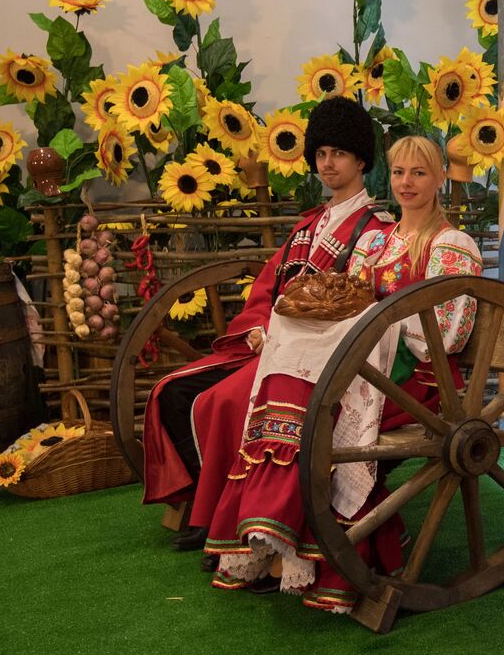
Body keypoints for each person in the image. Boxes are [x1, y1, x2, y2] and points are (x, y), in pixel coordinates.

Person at [203, 135, 483, 612]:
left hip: (418, 382)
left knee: (317, 407)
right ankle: (277, 537)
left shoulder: (451, 245)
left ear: (439, 179)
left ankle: (308, 545)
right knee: (290, 386)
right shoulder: (378, 240)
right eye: (399, 172)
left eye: (419, 172)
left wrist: (378, 323)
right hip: (365, 365)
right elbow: (346, 300)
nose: (407, 183)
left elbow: (448, 335)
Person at [141, 97, 391, 553]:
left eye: (338, 153)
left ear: (360, 159)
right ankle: (205, 501)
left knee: (217, 400)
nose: (328, 164)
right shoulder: (307, 227)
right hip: (268, 345)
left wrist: (280, 336)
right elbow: (267, 290)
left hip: (314, 355)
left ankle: (218, 516)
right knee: (174, 391)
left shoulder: (374, 230)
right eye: (320, 154)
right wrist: (257, 329)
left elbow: (355, 302)